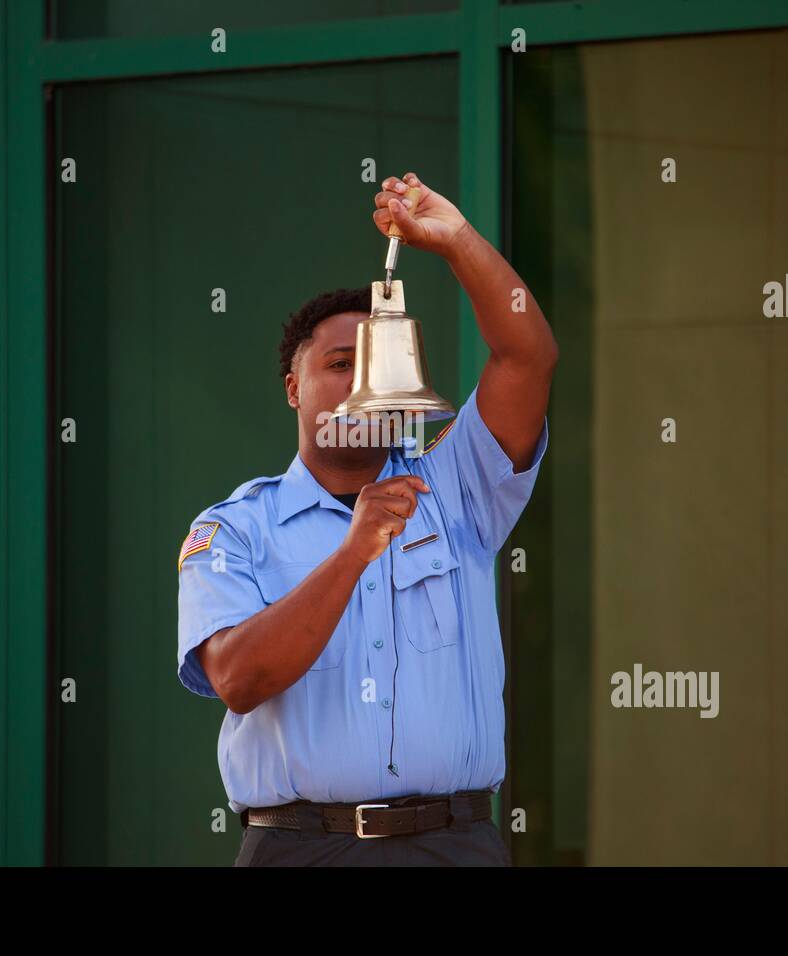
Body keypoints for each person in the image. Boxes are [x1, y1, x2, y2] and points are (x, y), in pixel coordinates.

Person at [176, 171, 557, 865]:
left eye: (379, 363)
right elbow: (237, 678)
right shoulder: (235, 528)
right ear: (294, 388)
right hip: (300, 848)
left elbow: (527, 356)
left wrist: (455, 241)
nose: (360, 383)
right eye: (338, 363)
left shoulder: (454, 483)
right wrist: (353, 553)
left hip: (455, 845)